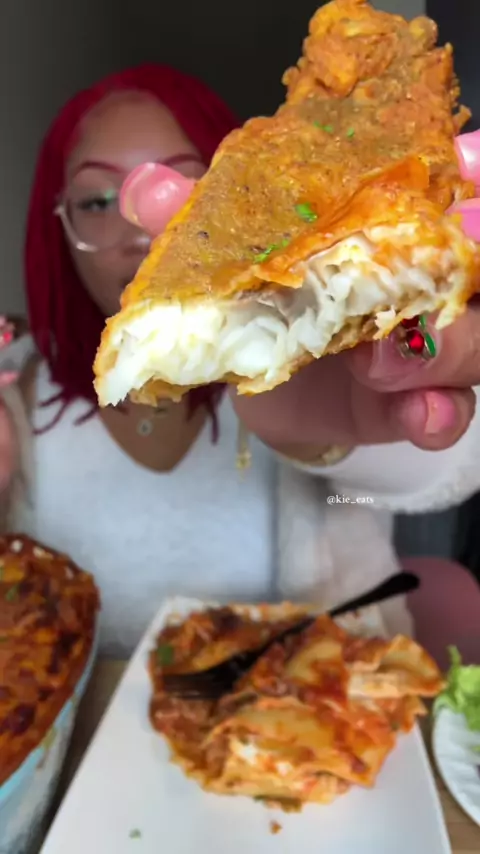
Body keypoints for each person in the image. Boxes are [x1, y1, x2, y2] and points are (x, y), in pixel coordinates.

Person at [0, 64, 478, 666]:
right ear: (58, 233)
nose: (140, 231)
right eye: (96, 201)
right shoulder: (16, 398)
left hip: (320, 708)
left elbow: (445, 472)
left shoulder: (314, 339)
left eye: (192, 183)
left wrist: (340, 429)